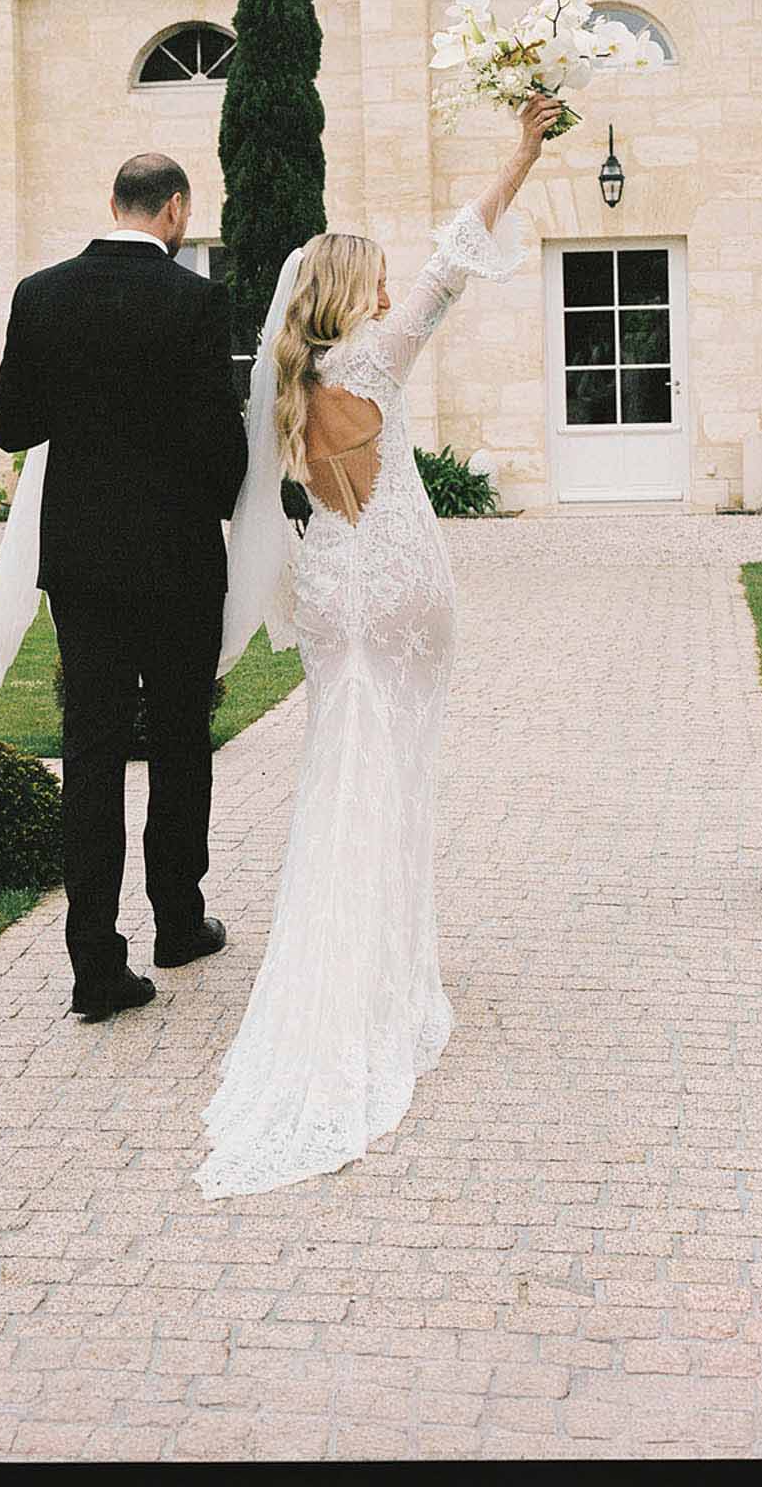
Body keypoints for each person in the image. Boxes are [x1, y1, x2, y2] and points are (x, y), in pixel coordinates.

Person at [195, 89, 561, 1198]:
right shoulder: (375, 360)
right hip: (400, 581)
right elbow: (460, 254)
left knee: (334, 770)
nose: (396, 286)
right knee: (394, 772)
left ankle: (353, 962)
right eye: (379, 277)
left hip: (329, 592)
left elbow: (269, 500)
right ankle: (387, 981)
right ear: (353, 290)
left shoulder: (285, 388)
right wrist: (522, 150)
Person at [0, 151, 249, 1023]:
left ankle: (95, 966)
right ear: (174, 209)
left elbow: (11, 424)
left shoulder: (40, 293)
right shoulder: (197, 301)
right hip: (176, 562)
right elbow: (221, 447)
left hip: (84, 566)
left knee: (91, 752)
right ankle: (179, 922)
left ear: (112, 204)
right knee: (179, 740)